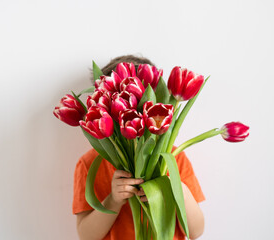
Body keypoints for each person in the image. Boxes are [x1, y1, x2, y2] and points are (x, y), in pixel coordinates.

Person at [73, 55, 205, 240]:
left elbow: (196, 231)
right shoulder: (89, 163)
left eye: (139, 100)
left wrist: (175, 188)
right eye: (119, 101)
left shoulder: (173, 157)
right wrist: (113, 200)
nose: (130, 110)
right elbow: (86, 236)